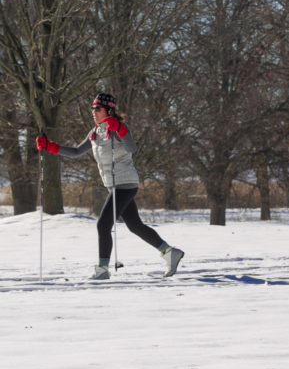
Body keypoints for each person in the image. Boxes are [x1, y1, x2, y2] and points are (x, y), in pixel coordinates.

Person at [36, 93, 184, 280]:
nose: (94, 112)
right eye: (92, 108)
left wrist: (120, 129)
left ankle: (102, 269)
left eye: (98, 108)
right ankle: (170, 252)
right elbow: (76, 152)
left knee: (103, 224)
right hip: (114, 186)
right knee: (135, 226)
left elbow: (132, 148)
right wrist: (50, 147)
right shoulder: (96, 132)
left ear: (109, 110)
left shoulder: (117, 128)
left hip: (125, 184)